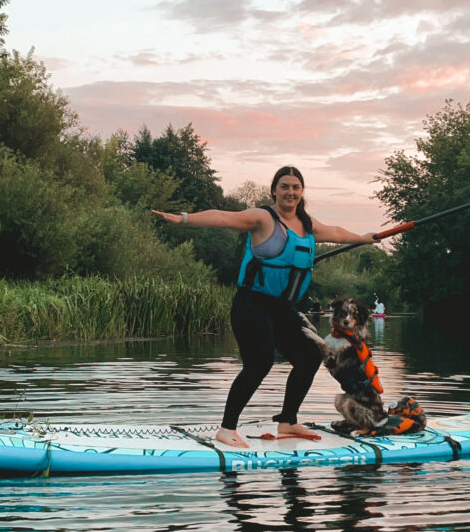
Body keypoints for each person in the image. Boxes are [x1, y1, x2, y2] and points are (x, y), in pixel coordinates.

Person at [153, 165, 380, 449]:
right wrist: (183, 219)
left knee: (310, 356)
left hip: (282, 308)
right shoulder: (263, 218)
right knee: (260, 363)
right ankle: (226, 428)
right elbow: (223, 217)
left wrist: (364, 238)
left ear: (302, 192)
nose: (290, 192)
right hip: (251, 304)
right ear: (274, 190)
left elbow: (335, 231)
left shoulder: (308, 225)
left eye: (296, 187)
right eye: (284, 186)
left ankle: (287, 421)